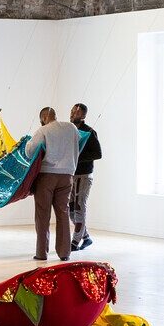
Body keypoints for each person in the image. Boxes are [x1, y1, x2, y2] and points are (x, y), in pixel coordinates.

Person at [25, 107, 82, 262]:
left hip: (47, 176)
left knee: (42, 215)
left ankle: (41, 253)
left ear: (44, 117)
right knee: (63, 213)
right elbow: (79, 144)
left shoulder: (43, 130)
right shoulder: (71, 128)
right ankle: (65, 253)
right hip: (67, 175)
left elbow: (30, 151)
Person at [69, 103, 102, 252]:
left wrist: (77, 157)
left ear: (83, 116)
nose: (72, 114)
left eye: (76, 112)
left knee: (79, 207)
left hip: (84, 175)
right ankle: (86, 238)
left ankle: (74, 243)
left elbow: (98, 154)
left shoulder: (89, 132)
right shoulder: (68, 130)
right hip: (71, 174)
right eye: (71, 111)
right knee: (70, 210)